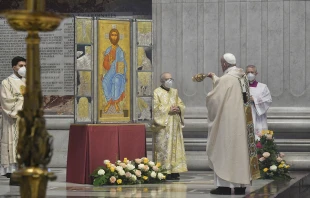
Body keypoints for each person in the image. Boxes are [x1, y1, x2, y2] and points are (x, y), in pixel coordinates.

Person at [205, 53, 260, 195]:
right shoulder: (242, 77)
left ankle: (224, 186)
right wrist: (216, 79)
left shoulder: (226, 79)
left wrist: (209, 95)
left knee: (225, 150)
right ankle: (240, 185)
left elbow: (214, 99)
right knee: (240, 152)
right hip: (242, 122)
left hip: (227, 123)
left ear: (224, 64)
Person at [151, 72, 187, 180]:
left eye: (171, 79)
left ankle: (175, 170)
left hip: (174, 124)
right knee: (164, 147)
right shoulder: (156, 92)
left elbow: (181, 103)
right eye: (167, 79)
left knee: (175, 147)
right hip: (164, 126)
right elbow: (155, 108)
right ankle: (164, 170)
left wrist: (179, 108)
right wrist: (168, 109)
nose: (170, 81)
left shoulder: (174, 92)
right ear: (162, 81)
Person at [0, 56, 26, 185]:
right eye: (21, 66)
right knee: (12, 144)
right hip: (13, 120)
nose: (23, 68)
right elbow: (6, 101)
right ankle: (13, 173)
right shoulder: (7, 82)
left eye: (25, 66)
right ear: (14, 67)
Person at [101, 28, 127, 113]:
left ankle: (115, 102)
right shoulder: (108, 50)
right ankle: (109, 102)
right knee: (105, 81)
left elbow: (123, 64)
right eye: (112, 35)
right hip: (110, 71)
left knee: (115, 81)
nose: (114, 37)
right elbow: (105, 65)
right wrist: (109, 62)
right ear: (110, 37)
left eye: (115, 35)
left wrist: (121, 71)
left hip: (118, 72)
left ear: (118, 37)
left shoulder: (120, 51)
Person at [246, 65, 272, 139]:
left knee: (259, 136)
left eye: (252, 72)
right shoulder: (243, 87)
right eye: (248, 72)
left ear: (256, 73)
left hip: (259, 117)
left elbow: (268, 100)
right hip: (246, 114)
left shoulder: (263, 87)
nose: (250, 74)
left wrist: (254, 100)